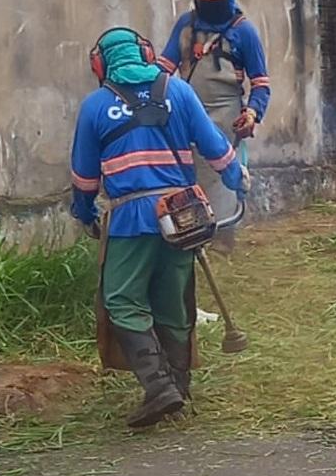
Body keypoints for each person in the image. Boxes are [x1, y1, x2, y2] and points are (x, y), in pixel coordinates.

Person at [71, 27, 248, 428]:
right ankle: (179, 387)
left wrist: (82, 212)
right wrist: (238, 180)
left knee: (121, 300)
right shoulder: (179, 92)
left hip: (131, 219)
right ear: (146, 55)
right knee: (174, 302)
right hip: (183, 217)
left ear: (101, 65)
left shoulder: (96, 106)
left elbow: (84, 179)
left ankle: (158, 386)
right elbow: (217, 148)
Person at [158, 0, 269, 243]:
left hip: (226, 121)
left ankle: (222, 245)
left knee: (222, 185)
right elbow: (163, 69)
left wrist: (253, 114)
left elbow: (261, 83)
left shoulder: (244, 32)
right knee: (187, 181)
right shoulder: (186, 25)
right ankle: (192, 244)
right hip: (186, 118)